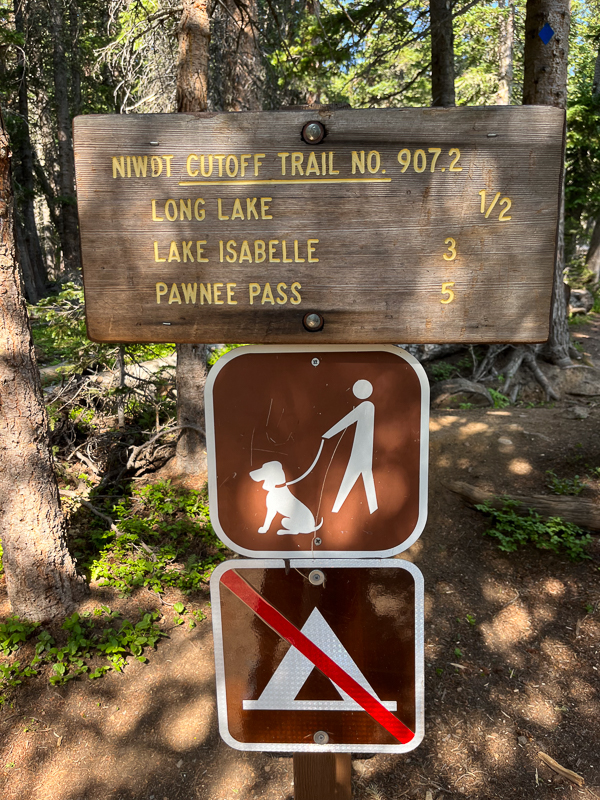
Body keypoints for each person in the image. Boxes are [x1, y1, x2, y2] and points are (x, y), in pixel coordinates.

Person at [322, 379, 378, 514]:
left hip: (361, 450)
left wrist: (328, 435)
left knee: (354, 475)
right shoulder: (367, 406)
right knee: (363, 476)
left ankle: (335, 510)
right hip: (362, 450)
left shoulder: (366, 406)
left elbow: (346, 421)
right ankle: (373, 508)